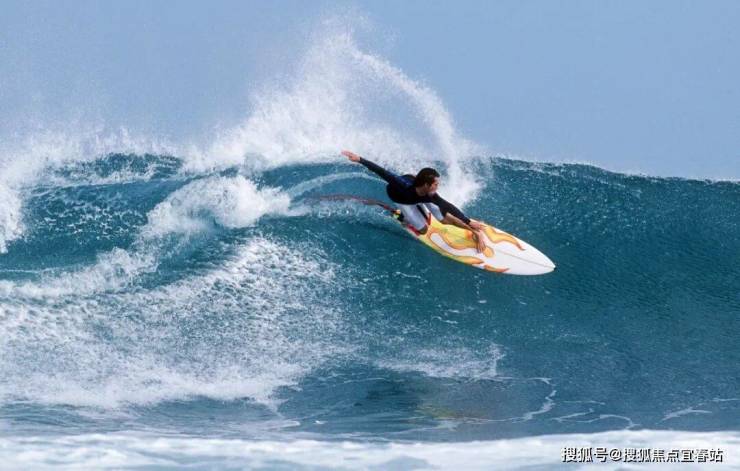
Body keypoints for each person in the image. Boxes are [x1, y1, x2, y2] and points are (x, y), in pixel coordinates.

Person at [342, 150, 486, 252]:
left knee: (444, 219)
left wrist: (469, 223)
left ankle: (474, 232)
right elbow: (381, 171)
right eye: (435, 184)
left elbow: (448, 206)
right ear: (427, 185)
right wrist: (360, 159)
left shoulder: (431, 194)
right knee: (423, 230)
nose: (438, 186)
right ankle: (399, 215)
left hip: (418, 192)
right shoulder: (402, 185)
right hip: (400, 197)